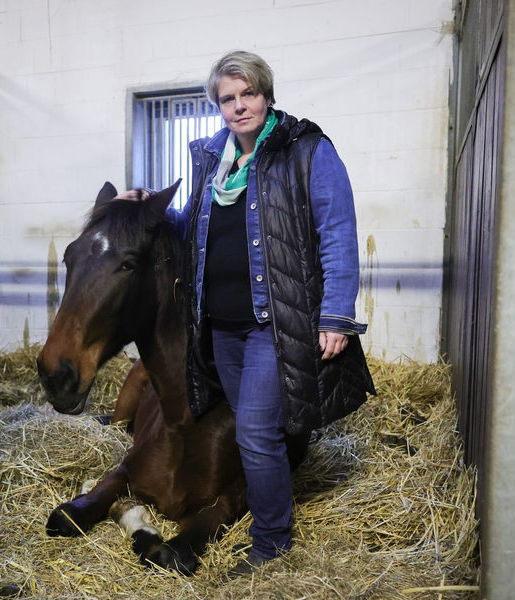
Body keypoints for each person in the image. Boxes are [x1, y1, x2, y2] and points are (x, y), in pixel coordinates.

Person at [120, 50, 375, 576]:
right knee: (253, 431)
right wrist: (147, 203)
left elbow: (338, 234)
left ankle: (272, 546)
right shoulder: (214, 159)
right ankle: (264, 502)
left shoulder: (305, 150)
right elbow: (192, 225)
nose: (238, 107)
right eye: (227, 99)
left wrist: (336, 316)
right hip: (220, 326)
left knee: (256, 432)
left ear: (266, 93)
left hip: (273, 324)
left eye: (247, 94)